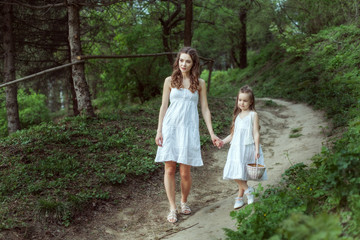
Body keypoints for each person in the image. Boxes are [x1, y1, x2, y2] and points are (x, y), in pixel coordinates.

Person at [155, 47, 220, 223]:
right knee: (169, 169)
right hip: (170, 128)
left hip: (189, 129)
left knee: (185, 172)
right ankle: (172, 207)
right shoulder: (169, 80)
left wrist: (212, 133)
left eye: (188, 61)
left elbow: (205, 109)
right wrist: (159, 130)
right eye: (181, 60)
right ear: (178, 61)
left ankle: (183, 202)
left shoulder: (200, 83)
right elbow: (163, 106)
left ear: (193, 64)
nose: (184, 64)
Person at [216, 85, 267, 209]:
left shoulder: (253, 115)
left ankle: (240, 197)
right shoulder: (237, 116)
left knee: (241, 173)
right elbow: (233, 135)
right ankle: (248, 191)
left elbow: (255, 132)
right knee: (236, 172)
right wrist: (222, 141)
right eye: (240, 100)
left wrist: (256, 149)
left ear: (251, 102)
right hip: (236, 148)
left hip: (247, 147)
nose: (242, 103)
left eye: (245, 101)